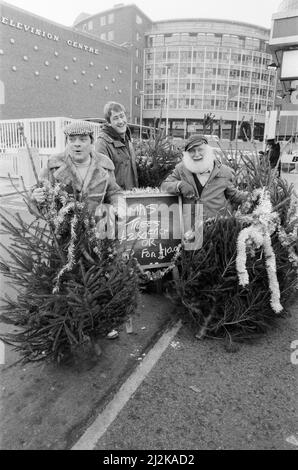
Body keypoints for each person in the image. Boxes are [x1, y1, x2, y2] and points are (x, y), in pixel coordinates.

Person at [31, 120, 125, 217]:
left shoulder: (104, 164)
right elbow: (40, 197)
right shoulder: (53, 165)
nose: (77, 144)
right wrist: (35, 198)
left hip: (97, 228)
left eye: (83, 139)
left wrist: (119, 205)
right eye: (72, 139)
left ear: (91, 141)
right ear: (66, 142)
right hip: (63, 230)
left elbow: (114, 192)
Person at [160, 134, 248, 220]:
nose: (196, 154)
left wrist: (253, 197)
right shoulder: (181, 169)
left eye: (200, 150)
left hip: (216, 225)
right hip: (190, 226)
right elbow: (164, 186)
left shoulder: (224, 171)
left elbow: (233, 194)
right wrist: (179, 185)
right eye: (192, 151)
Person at [95, 102, 139, 190]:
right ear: (109, 123)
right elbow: (102, 178)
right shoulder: (102, 143)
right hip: (116, 199)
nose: (121, 121)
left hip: (131, 197)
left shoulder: (127, 140)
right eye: (115, 118)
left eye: (122, 116)